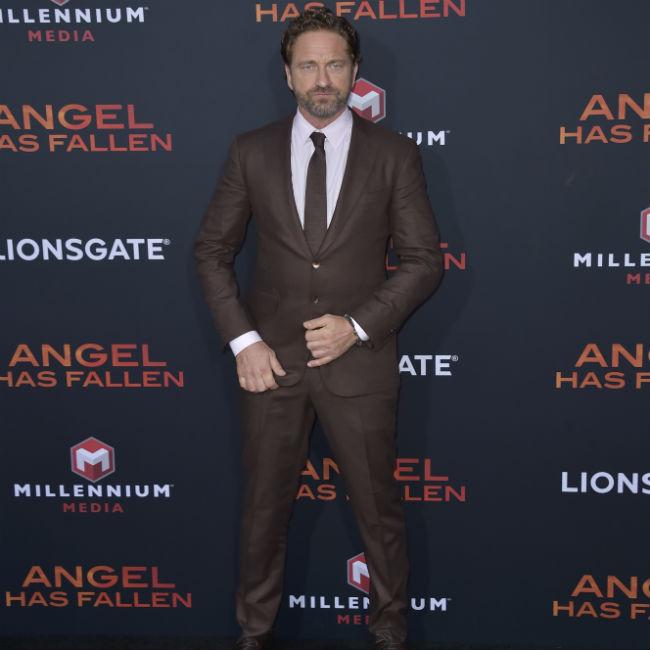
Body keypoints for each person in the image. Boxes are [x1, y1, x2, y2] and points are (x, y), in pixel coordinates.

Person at [194, 7, 443, 649]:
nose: (322, 78)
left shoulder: (394, 154)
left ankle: (390, 627)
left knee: (379, 510)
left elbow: (424, 261)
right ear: (288, 75)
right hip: (270, 365)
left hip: (359, 364)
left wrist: (356, 326)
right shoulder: (250, 151)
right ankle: (255, 632)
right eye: (308, 65)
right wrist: (245, 342)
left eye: (335, 64)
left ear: (355, 71)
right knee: (263, 512)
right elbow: (211, 252)